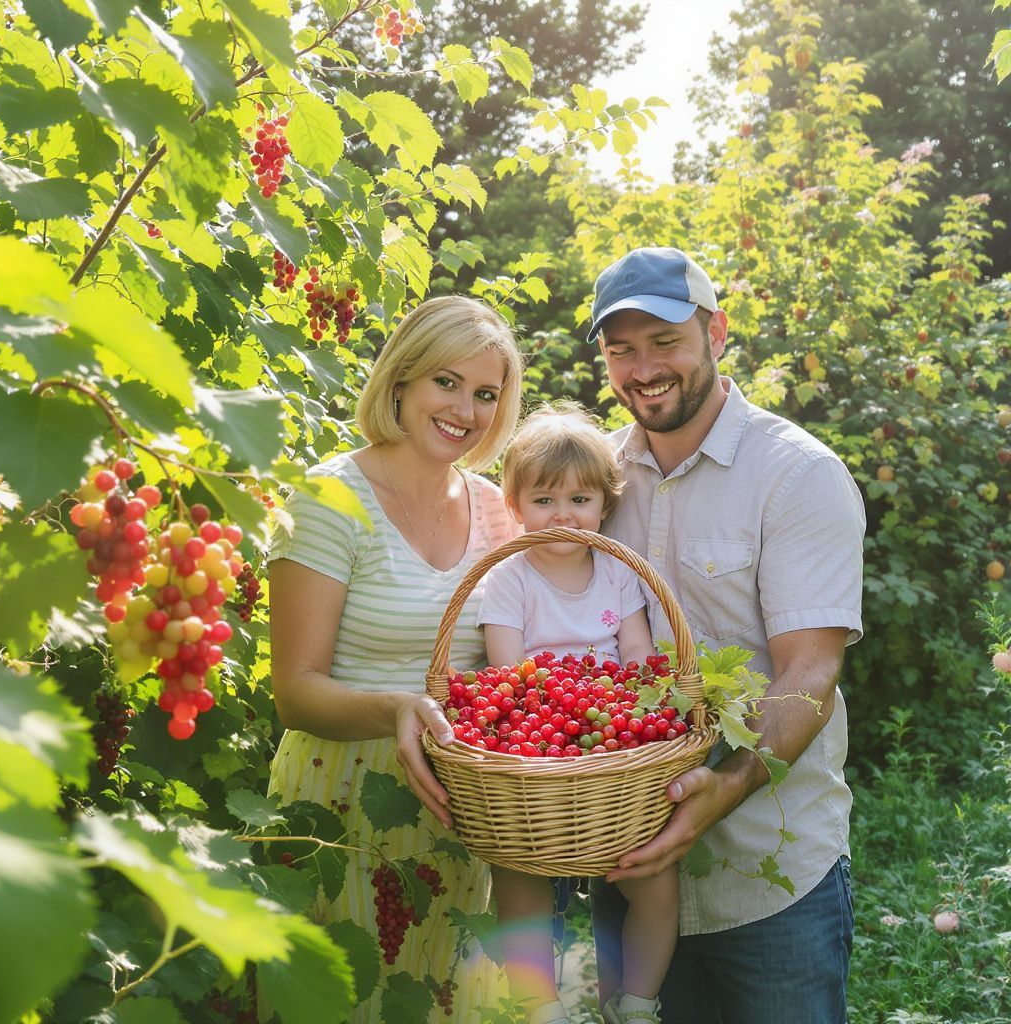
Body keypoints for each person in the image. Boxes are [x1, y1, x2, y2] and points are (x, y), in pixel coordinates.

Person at [586, 247, 865, 1024]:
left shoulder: (797, 475)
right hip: (631, 865)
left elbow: (810, 668)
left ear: (718, 331)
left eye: (664, 341)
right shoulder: (595, 480)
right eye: (621, 349)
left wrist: (729, 787)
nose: (643, 368)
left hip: (771, 879)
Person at [267, 295, 523, 1023]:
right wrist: (396, 708)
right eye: (447, 382)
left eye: (485, 394)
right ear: (401, 380)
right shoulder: (329, 498)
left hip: (451, 807)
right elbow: (295, 690)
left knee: (442, 1001)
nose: (465, 410)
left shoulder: (498, 512)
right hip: (339, 803)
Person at [476, 405, 672, 1024]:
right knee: (519, 871)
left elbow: (638, 652)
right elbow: (509, 678)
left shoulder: (616, 571)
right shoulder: (508, 579)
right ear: (515, 505)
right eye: (543, 500)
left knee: (656, 884)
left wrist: (639, 692)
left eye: (580, 498)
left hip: (611, 747)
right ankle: (539, 1005)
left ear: (604, 505)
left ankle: (637, 1001)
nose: (562, 514)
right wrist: (565, 703)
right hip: (542, 745)